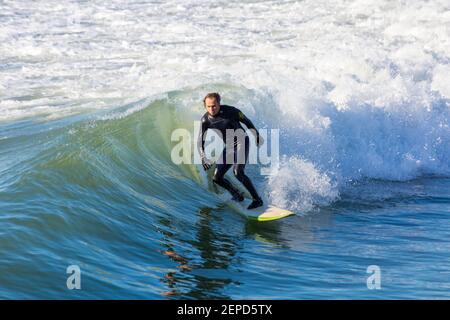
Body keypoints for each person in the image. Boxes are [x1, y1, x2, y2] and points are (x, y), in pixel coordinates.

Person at [197, 92, 264, 210]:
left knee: (238, 172)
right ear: (205, 106)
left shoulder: (231, 111)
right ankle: (237, 195)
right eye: (208, 106)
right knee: (217, 178)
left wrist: (256, 135)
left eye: (214, 106)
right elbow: (200, 141)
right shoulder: (205, 120)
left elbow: (247, 121)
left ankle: (257, 200)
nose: (211, 109)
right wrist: (203, 157)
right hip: (229, 146)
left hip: (242, 141)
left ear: (219, 103)